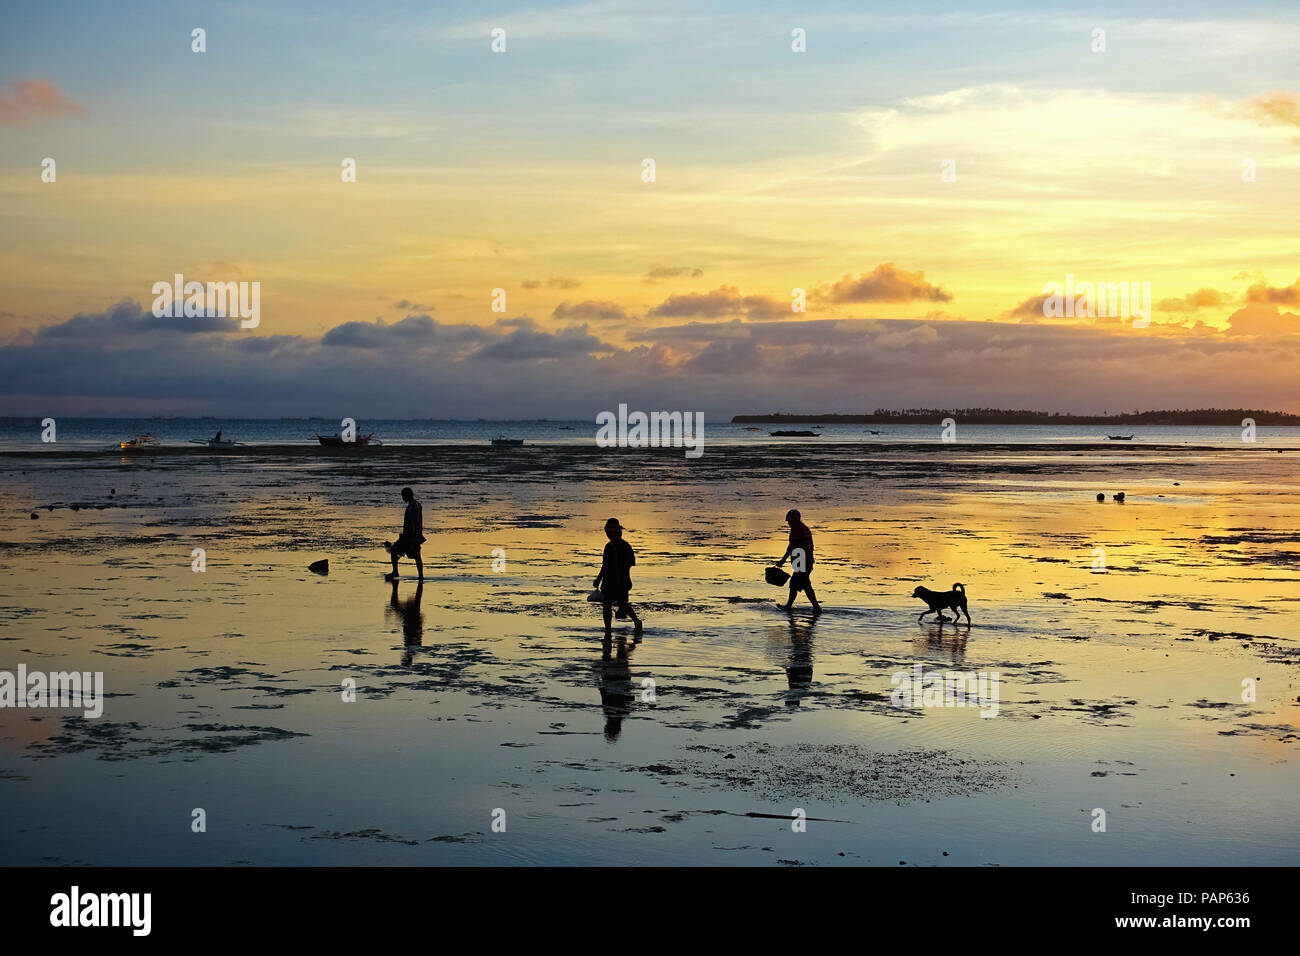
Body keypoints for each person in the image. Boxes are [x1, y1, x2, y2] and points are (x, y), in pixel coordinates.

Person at [593, 518, 642, 635]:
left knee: (622, 604)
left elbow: (629, 563)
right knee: (607, 605)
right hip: (610, 580)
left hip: (621, 580)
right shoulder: (609, 546)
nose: (608, 535)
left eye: (610, 532)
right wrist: (599, 579)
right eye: (607, 533)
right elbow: (605, 565)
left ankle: (636, 622)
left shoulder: (624, 546)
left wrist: (620, 578)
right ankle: (608, 629)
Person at [775, 508, 822, 613]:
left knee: (800, 584)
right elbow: (792, 546)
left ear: (795, 520)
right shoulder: (798, 528)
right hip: (802, 560)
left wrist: (784, 559)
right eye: (788, 522)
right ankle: (813, 607)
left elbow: (795, 547)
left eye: (790, 521)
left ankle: (815, 607)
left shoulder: (800, 530)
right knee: (799, 584)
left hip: (803, 561)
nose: (789, 524)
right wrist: (784, 559)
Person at [385, 487, 425, 581]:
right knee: (417, 556)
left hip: (410, 535)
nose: (402, 497)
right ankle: (421, 576)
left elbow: (412, 523)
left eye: (403, 495)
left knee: (394, 550)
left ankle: (395, 572)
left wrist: (410, 538)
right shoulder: (417, 504)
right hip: (415, 535)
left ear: (407, 495)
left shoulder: (412, 506)